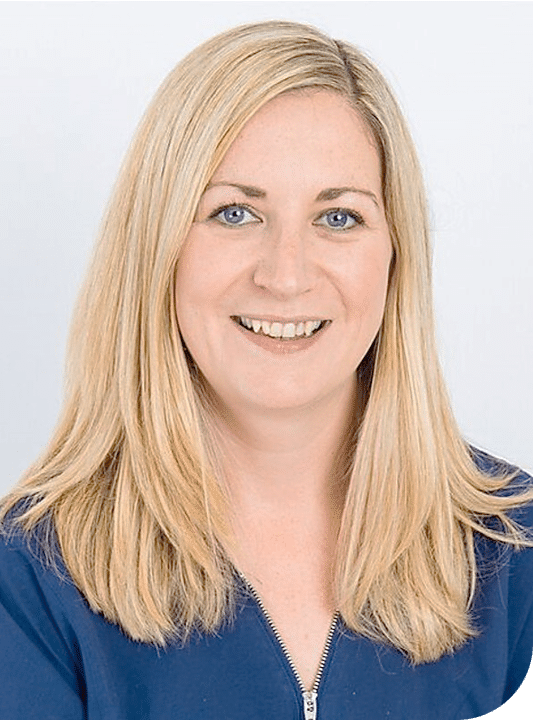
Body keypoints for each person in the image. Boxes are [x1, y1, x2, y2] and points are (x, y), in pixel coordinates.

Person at [0, 20, 532, 720]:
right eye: (233, 212)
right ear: (157, 247)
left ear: (394, 256)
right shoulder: (29, 579)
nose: (286, 275)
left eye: (338, 218)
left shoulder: (514, 557)